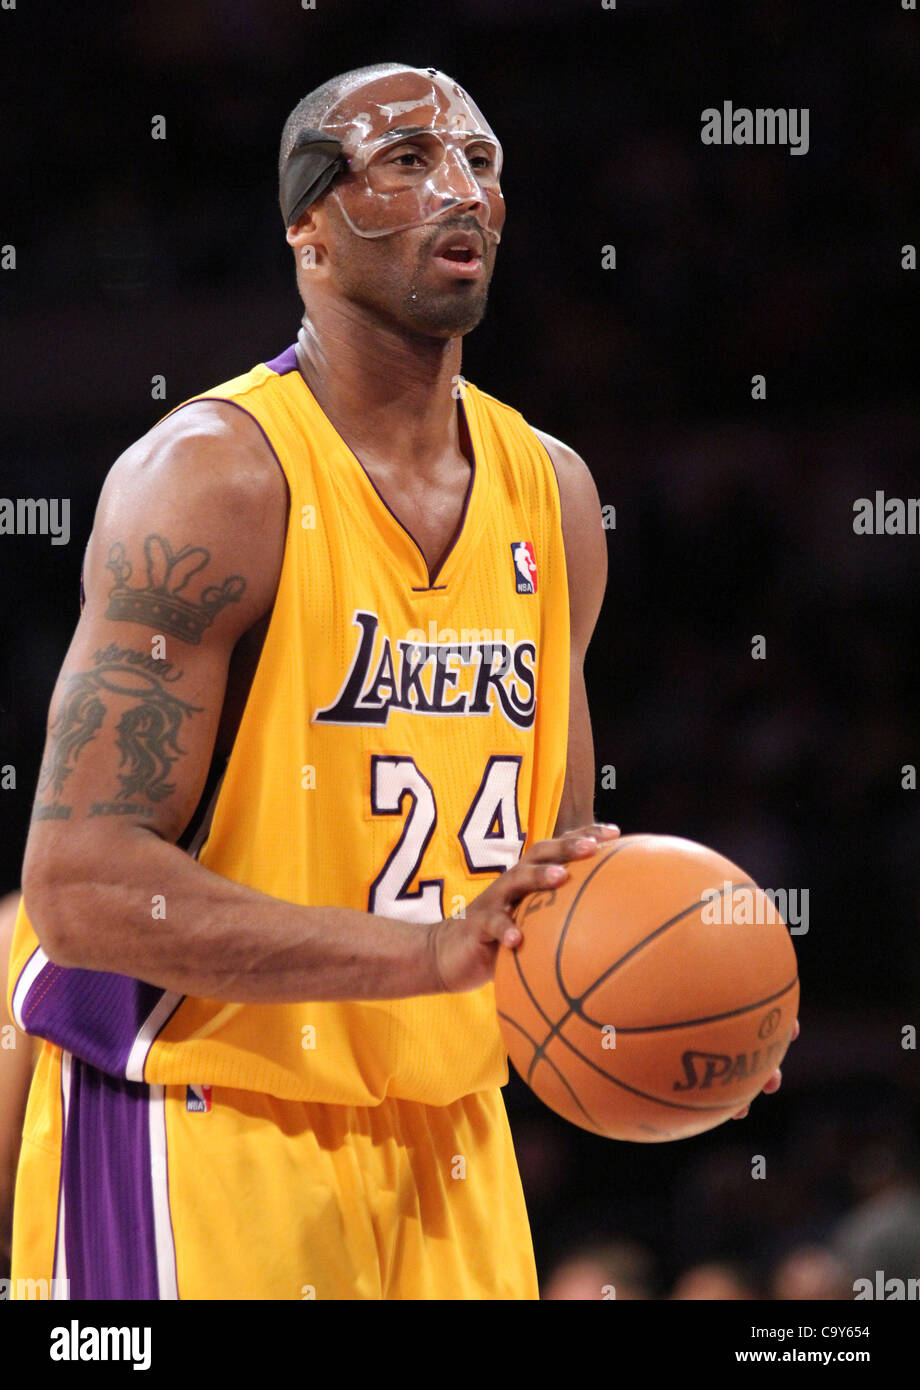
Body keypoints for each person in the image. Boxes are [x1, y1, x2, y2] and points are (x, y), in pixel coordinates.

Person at [8, 62, 788, 1300]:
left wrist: (697, 998)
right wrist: (418, 954)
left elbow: (557, 879)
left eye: (479, 162)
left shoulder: (556, 493)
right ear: (305, 224)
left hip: (450, 1135)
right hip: (208, 1116)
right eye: (407, 160)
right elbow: (81, 888)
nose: (460, 190)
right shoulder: (213, 478)